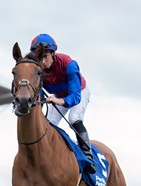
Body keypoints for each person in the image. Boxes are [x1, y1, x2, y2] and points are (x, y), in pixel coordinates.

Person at [30, 34, 96, 174]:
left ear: (53, 53)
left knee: (74, 119)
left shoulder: (69, 65)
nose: (42, 61)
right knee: (49, 124)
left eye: (45, 56)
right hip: (59, 96)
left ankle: (87, 155)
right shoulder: (38, 70)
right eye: (38, 57)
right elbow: (38, 93)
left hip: (79, 92)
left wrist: (58, 101)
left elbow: (75, 97)